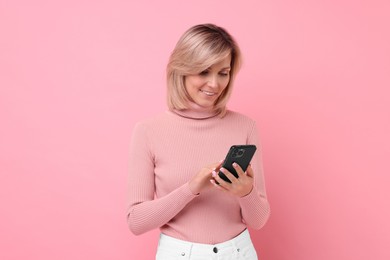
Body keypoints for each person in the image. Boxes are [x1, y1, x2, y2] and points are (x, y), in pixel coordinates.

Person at [127, 23, 270, 260]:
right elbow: (136, 221)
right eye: (204, 71)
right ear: (181, 69)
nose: (214, 84)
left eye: (223, 73)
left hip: (237, 252)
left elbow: (259, 220)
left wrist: (246, 193)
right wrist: (191, 188)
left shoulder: (246, 126)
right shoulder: (147, 131)